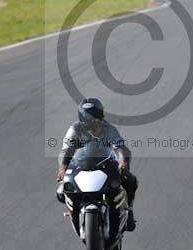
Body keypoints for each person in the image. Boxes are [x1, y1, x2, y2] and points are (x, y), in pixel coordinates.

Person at [56, 98, 138, 231]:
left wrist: (123, 163)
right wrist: (63, 167)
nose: (97, 124)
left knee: (130, 181)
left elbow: (121, 148)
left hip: (106, 163)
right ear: (83, 121)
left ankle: (129, 211)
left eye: (98, 119)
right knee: (61, 191)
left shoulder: (109, 129)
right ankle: (73, 212)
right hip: (81, 165)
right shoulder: (75, 129)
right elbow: (66, 150)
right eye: (92, 122)